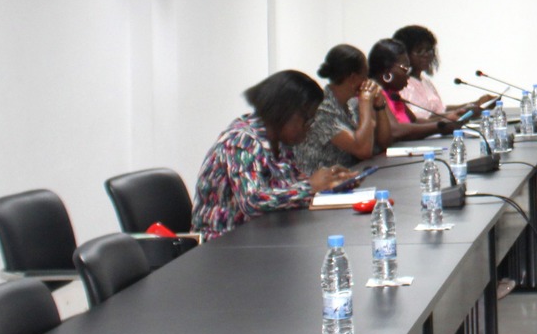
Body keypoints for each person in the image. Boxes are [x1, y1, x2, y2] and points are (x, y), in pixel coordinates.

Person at [192, 70, 354, 240]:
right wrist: (311, 187)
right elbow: (253, 202)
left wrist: (330, 182)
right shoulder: (242, 141)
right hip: (223, 241)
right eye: (307, 119)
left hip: (261, 234)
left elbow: (290, 185)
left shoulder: (279, 141)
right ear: (283, 112)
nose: (309, 127)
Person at [297, 44, 389, 173]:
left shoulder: (351, 104)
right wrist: (365, 102)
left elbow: (384, 143)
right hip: (321, 180)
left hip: (349, 174)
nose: (367, 81)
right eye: (365, 76)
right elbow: (363, 151)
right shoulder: (322, 109)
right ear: (353, 78)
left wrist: (380, 106)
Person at [392, 24, 496, 122]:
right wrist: (461, 112)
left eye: (429, 50)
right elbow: (418, 120)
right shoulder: (402, 85)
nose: (427, 55)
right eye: (420, 51)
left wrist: (476, 104)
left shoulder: (425, 82)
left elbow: (441, 111)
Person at [369, 38, 451, 143]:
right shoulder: (374, 94)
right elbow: (395, 130)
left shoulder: (392, 94)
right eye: (405, 69)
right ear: (387, 70)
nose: (408, 76)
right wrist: (439, 127)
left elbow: (415, 122)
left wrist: (446, 120)